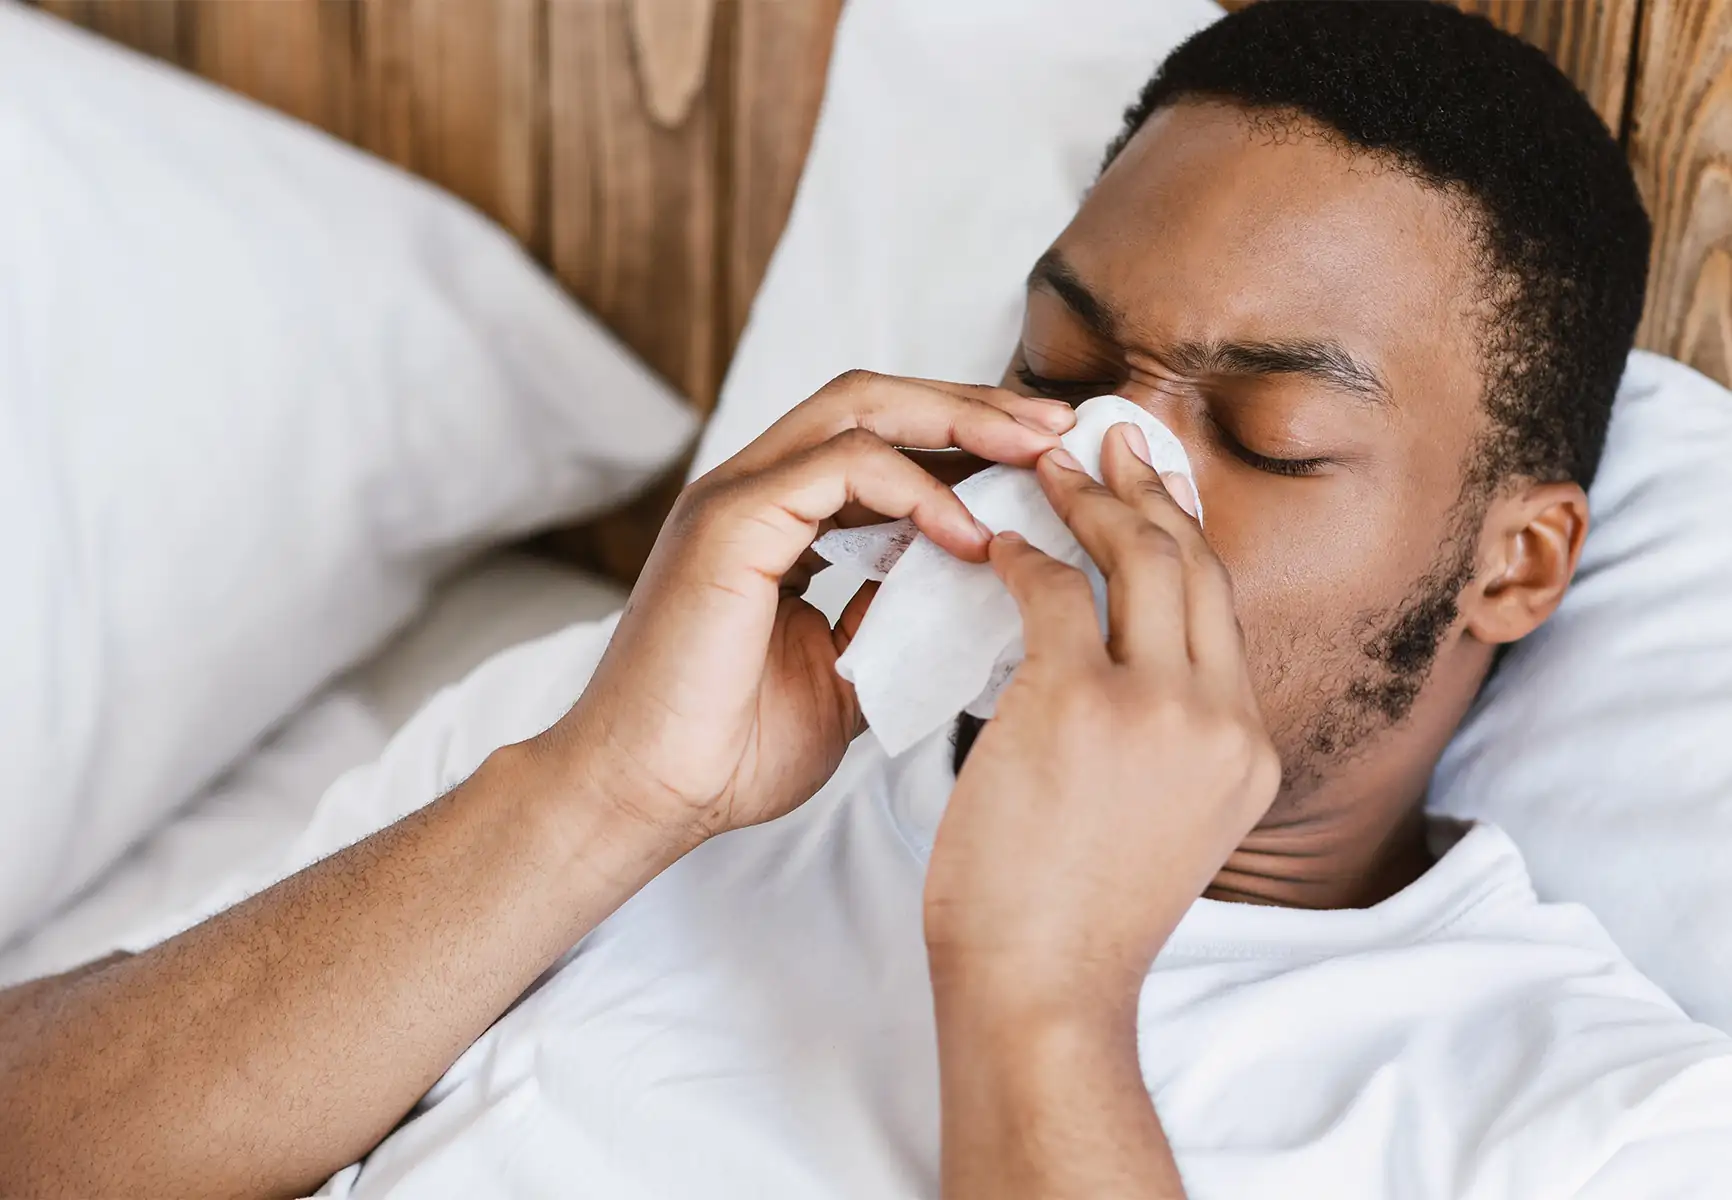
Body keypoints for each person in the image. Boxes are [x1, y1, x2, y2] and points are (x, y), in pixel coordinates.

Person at [4, 4, 1729, 1197]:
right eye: (1056, 368)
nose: (1097, 471)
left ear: (1516, 562)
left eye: (1270, 435)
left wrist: (1042, 997)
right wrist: (600, 800)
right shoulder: (633, 746)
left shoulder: (1602, 1124)